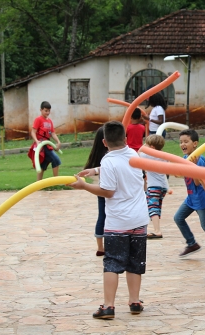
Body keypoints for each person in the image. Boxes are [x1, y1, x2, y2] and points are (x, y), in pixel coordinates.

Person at [68, 120, 149, 319]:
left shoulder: (108, 160)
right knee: (134, 262)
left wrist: (84, 186)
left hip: (118, 223)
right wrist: (95, 171)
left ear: (104, 142)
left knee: (112, 263)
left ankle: (109, 306)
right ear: (126, 138)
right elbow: (120, 167)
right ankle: (135, 301)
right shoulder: (133, 154)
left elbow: (108, 191)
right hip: (139, 219)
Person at [173, 129, 205, 260]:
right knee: (178, 218)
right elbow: (178, 174)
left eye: (186, 141)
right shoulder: (185, 158)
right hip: (191, 198)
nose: (182, 144)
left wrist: (193, 168)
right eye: (181, 142)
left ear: (195, 144)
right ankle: (192, 244)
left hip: (201, 199)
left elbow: (198, 182)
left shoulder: (200, 160)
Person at [82, 127, 108, 256]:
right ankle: (107, 245)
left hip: (101, 189)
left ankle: (100, 247)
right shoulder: (109, 155)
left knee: (102, 216)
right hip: (107, 190)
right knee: (108, 217)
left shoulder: (100, 154)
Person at [139, 134, 168, 239]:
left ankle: (157, 230)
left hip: (154, 186)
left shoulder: (147, 155)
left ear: (151, 147)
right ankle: (157, 228)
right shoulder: (164, 156)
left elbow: (139, 152)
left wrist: (143, 147)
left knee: (152, 208)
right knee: (157, 207)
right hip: (163, 187)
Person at [31, 101, 62, 180]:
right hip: (41, 144)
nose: (47, 112)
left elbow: (52, 133)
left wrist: (58, 142)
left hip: (47, 144)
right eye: (45, 111)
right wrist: (37, 141)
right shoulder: (38, 119)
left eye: (49, 111)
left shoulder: (49, 121)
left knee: (43, 163)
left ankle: (38, 183)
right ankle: (56, 181)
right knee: (55, 159)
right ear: (41, 110)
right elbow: (33, 132)